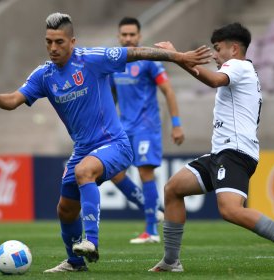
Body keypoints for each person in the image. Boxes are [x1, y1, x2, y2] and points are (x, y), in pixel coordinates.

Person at [0, 12, 211, 273]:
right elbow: (13, 100)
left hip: (115, 144)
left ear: (72, 41)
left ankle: (92, 241)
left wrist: (179, 57)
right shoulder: (44, 75)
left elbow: (137, 53)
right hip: (83, 150)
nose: (53, 48)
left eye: (59, 42)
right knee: (65, 209)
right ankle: (75, 262)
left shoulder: (92, 59)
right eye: (48, 42)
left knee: (83, 171)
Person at [149, 22, 274, 273]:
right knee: (173, 189)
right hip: (221, 153)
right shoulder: (244, 70)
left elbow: (213, 81)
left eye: (217, 48)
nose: (215, 54)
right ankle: (171, 262)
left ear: (234, 49)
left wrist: (176, 56)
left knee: (230, 210)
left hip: (234, 153)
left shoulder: (237, 66)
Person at [110, 17, 185, 244]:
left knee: (145, 173)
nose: (128, 38)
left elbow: (168, 91)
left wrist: (176, 123)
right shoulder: (115, 63)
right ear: (119, 36)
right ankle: (150, 209)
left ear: (140, 36)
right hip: (124, 128)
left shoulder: (149, 61)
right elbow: (112, 96)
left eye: (132, 34)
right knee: (113, 172)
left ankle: (151, 231)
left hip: (146, 127)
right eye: (124, 34)